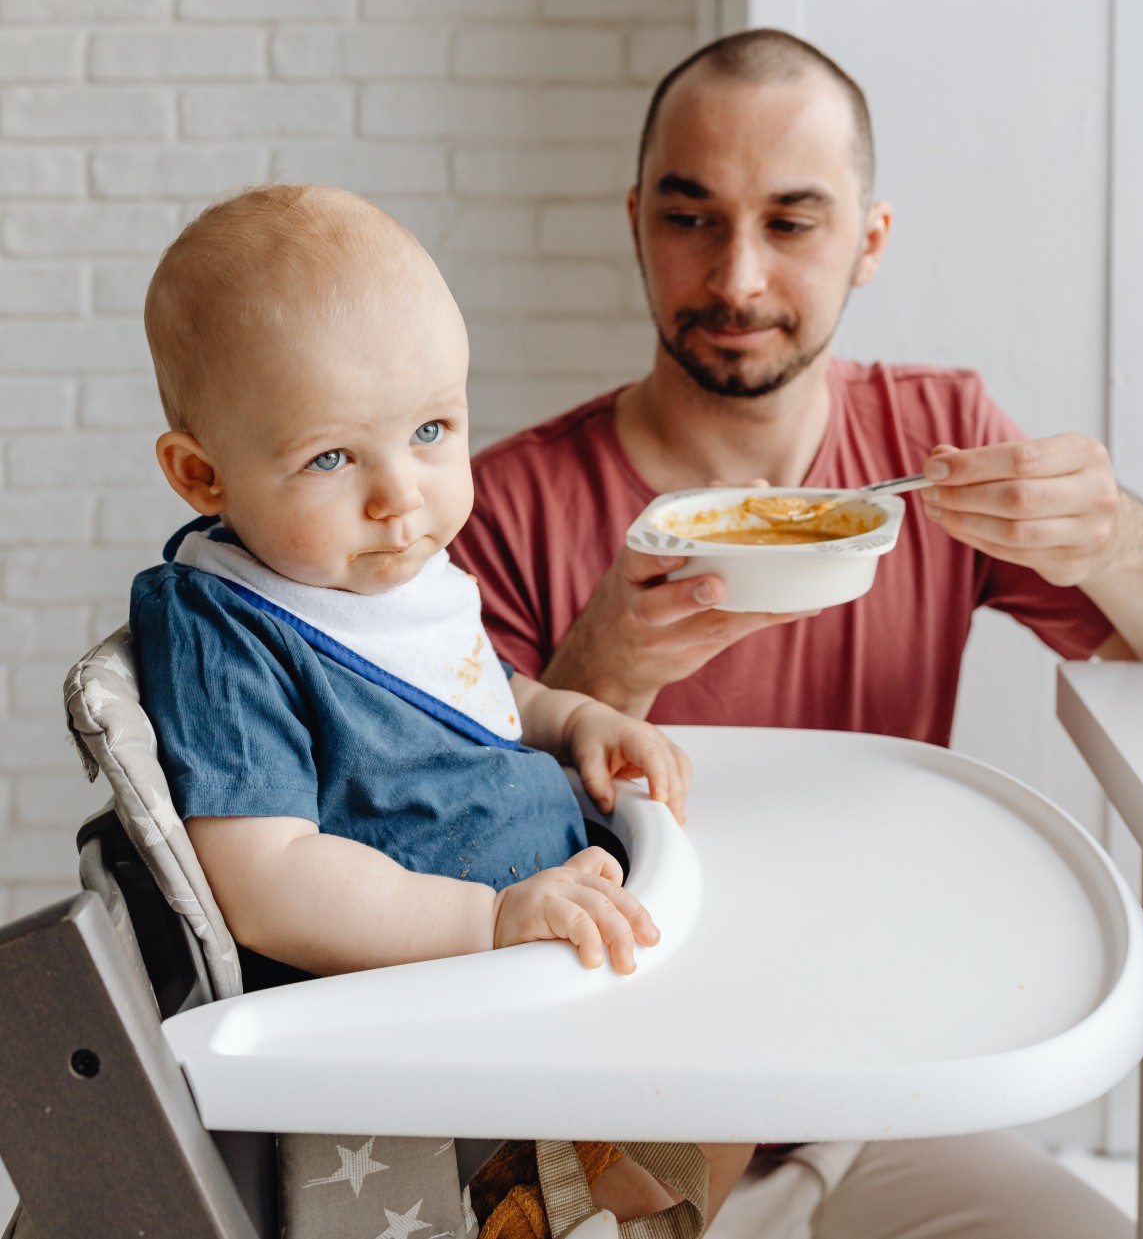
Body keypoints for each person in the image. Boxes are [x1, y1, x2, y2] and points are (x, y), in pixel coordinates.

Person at [451, 30, 1143, 1237]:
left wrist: (1110, 537)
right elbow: (432, 858)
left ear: (868, 240)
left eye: (791, 223)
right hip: (600, 1123)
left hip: (874, 1106)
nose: (735, 278)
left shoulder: (935, 442)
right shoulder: (505, 505)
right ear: (636, 221)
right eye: (692, 218)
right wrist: (602, 671)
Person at [129, 184, 752, 1230]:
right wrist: (492, 919)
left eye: (430, 429)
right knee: (679, 1136)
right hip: (439, 1032)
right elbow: (269, 881)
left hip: (553, 962)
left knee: (732, 1094)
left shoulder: (377, 566)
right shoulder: (228, 623)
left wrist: (563, 718)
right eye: (331, 457)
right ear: (202, 474)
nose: (399, 493)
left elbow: (460, 688)